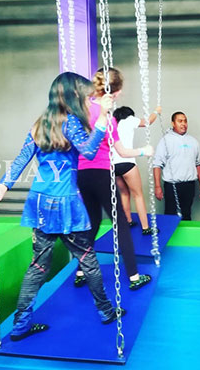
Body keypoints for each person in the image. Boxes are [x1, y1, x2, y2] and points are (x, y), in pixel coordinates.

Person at [0, 72, 125, 342]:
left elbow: (22, 158)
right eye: (84, 97)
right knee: (88, 260)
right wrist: (103, 120)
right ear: (74, 96)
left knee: (38, 266)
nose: (87, 101)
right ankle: (107, 311)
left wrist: (3, 186)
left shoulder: (39, 124)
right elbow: (89, 152)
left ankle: (20, 325)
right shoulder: (71, 122)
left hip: (39, 202)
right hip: (65, 203)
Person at [75, 68, 154, 291]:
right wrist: (144, 150)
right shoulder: (108, 119)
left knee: (92, 223)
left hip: (82, 175)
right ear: (115, 92)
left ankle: (80, 272)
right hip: (101, 173)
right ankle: (134, 277)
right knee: (120, 225)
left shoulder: (81, 110)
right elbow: (122, 151)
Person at [111, 105, 161, 235]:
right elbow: (148, 121)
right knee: (138, 195)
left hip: (113, 165)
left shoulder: (113, 124)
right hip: (127, 162)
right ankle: (146, 227)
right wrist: (156, 111)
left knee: (124, 193)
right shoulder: (130, 119)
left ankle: (128, 221)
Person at [153, 112, 200, 220]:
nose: (183, 124)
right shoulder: (165, 140)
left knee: (187, 214)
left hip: (189, 185)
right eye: (180, 121)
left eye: (185, 121)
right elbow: (157, 164)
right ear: (173, 123)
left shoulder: (193, 141)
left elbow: (198, 164)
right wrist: (157, 186)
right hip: (172, 185)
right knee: (170, 216)